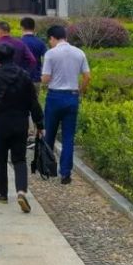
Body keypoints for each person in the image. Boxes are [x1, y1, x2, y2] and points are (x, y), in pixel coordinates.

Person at [0, 43, 44, 213]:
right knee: (19, 159)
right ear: (13, 56)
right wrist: (39, 124)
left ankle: (2, 193)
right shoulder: (24, 75)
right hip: (20, 121)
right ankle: (21, 191)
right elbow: (33, 102)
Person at [41, 25, 91, 185]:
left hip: (55, 96)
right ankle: (65, 173)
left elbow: (46, 78)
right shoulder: (79, 53)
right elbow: (87, 77)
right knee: (68, 137)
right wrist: (80, 91)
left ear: (52, 38)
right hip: (72, 96)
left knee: (49, 133)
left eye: (49, 40)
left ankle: (48, 168)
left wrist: (41, 81)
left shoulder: (51, 54)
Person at [19, 17, 48, 84]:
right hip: (36, 78)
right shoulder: (40, 42)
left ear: (22, 27)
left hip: (20, 79)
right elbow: (46, 59)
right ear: (34, 28)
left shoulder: (18, 43)